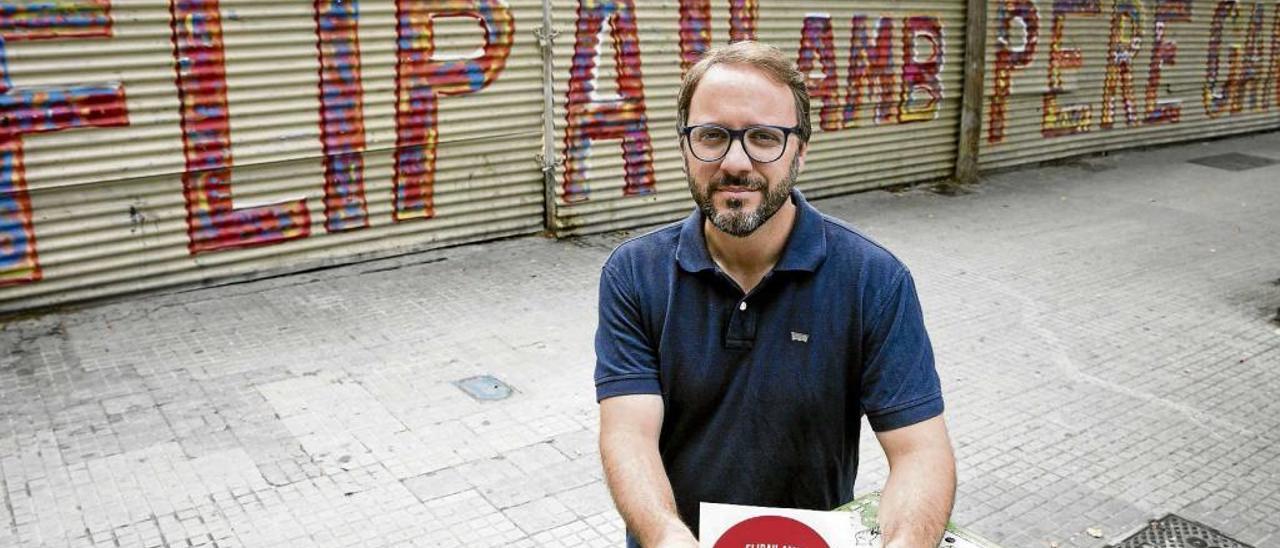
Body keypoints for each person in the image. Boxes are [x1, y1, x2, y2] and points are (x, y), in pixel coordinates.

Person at [594, 41, 956, 548]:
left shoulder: (875, 279)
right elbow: (628, 434)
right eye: (712, 135)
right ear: (684, 146)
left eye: (764, 137)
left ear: (801, 150)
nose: (735, 161)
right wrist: (664, 536)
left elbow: (920, 453)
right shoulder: (634, 274)